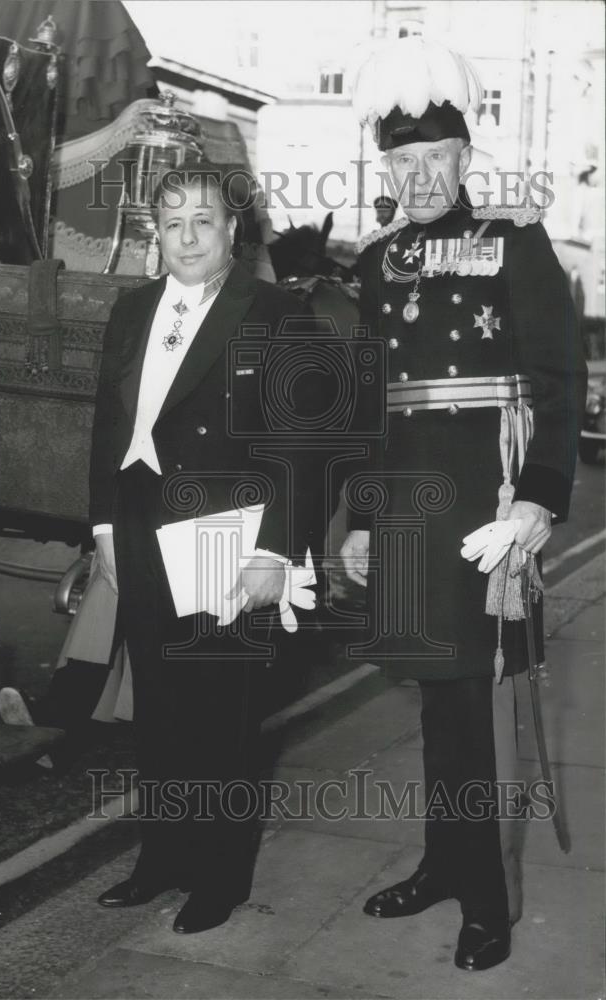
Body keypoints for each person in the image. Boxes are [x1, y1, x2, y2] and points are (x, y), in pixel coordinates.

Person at [342, 37, 586, 972]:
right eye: (400, 161)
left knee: (476, 711)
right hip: (405, 506)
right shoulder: (375, 260)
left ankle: (486, 902)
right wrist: (360, 517)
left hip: (482, 510)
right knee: (434, 707)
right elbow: (367, 407)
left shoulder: (512, 242)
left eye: (433, 158)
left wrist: (536, 504)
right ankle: (445, 863)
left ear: (464, 160)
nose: (416, 175)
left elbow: (557, 385)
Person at [84, 163, 316, 934]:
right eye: (172, 222)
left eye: (203, 221)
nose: (187, 237)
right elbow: (106, 428)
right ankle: (163, 860)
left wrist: (275, 553)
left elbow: (301, 446)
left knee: (221, 713)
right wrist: (106, 528)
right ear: (158, 233)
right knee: (158, 707)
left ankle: (218, 878)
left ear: (232, 232)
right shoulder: (132, 309)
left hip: (226, 533)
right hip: (144, 524)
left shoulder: (276, 314)